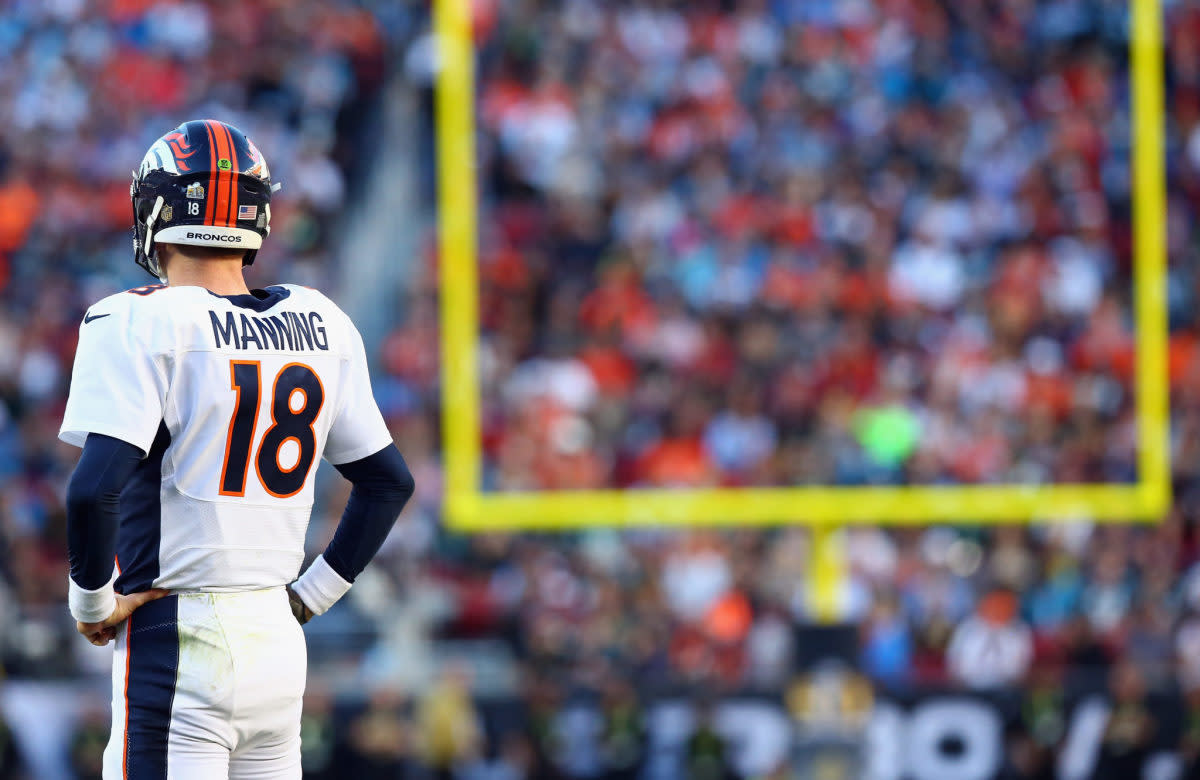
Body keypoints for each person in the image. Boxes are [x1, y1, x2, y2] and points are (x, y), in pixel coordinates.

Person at [59, 119, 415, 779]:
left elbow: (91, 488)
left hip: (179, 634)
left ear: (155, 211)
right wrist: (310, 597)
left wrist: (92, 605)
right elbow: (387, 482)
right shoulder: (320, 320)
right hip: (277, 640)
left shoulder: (139, 318)